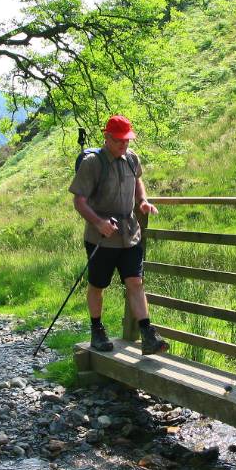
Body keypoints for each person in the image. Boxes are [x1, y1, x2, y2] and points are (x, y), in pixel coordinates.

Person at [69, 114, 168, 356]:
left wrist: (142, 201)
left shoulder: (132, 159)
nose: (124, 145)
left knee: (135, 281)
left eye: (127, 140)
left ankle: (147, 335)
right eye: (119, 141)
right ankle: (97, 331)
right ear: (107, 137)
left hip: (129, 233)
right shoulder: (92, 163)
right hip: (100, 237)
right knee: (98, 285)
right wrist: (99, 223)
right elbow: (79, 201)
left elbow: (138, 182)